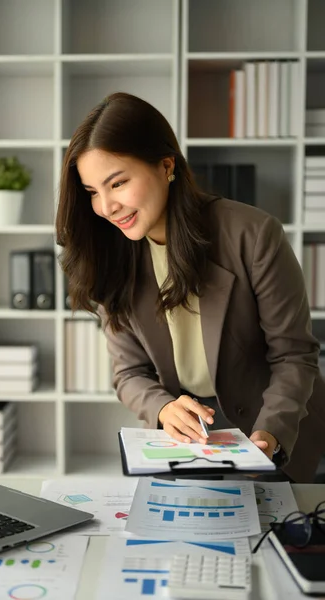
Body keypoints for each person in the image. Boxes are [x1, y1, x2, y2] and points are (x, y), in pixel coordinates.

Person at [56, 92, 325, 483]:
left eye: (118, 183)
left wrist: (270, 434)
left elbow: (294, 356)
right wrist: (163, 407)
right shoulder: (109, 255)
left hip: (276, 428)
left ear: (166, 166)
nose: (107, 207)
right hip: (190, 441)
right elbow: (129, 372)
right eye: (93, 192)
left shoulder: (252, 234)